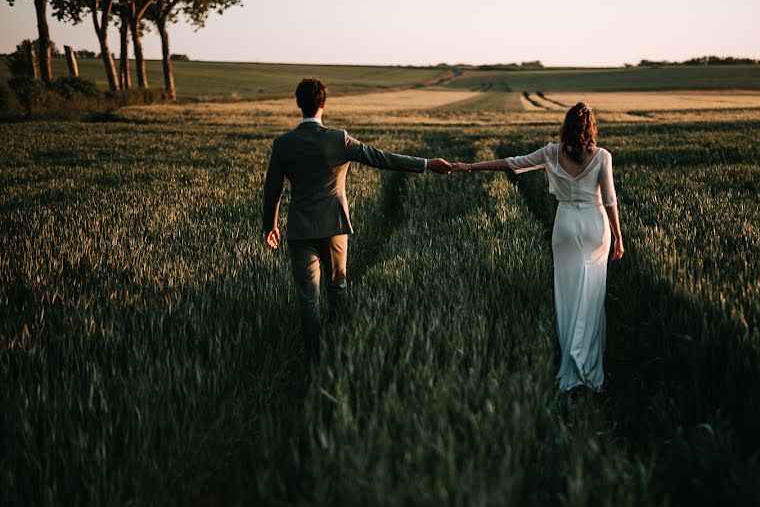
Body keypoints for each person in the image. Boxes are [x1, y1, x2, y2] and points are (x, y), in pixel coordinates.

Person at [263, 77, 453, 362]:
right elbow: (381, 158)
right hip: (334, 227)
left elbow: (272, 190)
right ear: (323, 104)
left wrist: (271, 225)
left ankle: (314, 359)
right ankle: (340, 349)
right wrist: (426, 164)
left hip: (300, 231)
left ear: (298, 103)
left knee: (308, 298)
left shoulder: (283, 144)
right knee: (337, 286)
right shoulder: (338, 138)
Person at [453, 102, 624, 393]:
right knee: (591, 295)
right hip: (596, 228)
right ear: (591, 128)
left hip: (566, 226)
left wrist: (469, 166)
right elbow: (609, 199)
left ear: (567, 126)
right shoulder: (602, 156)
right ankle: (587, 366)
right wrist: (619, 236)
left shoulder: (549, 153)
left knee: (567, 295)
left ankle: (570, 361)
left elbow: (512, 162)